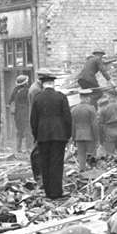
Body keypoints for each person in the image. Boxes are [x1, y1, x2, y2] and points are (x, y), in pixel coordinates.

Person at [30, 69, 71, 199]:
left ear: (43, 84)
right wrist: (68, 135)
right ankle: (57, 191)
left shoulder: (38, 98)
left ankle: (48, 191)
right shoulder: (61, 97)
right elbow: (67, 118)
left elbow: (33, 120)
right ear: (53, 84)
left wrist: (36, 135)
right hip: (59, 135)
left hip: (42, 136)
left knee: (45, 163)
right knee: (57, 163)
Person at [70, 89, 100, 169]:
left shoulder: (74, 110)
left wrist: (73, 138)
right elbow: (94, 125)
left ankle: (82, 170)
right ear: (88, 98)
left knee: (81, 155)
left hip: (78, 136)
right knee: (91, 155)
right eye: (89, 97)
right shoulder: (91, 109)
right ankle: (92, 172)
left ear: (80, 97)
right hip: (90, 136)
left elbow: (72, 125)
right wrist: (97, 138)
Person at [97, 88, 117, 157]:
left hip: (109, 133)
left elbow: (100, 126)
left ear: (109, 98)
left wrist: (101, 140)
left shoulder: (104, 110)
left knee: (109, 156)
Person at [9, 74, 32, 154]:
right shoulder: (27, 91)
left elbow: (10, 101)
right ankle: (28, 148)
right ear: (25, 83)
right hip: (25, 114)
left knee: (19, 131)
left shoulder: (15, 90)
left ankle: (18, 149)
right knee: (28, 131)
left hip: (17, 115)